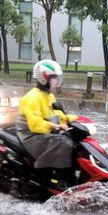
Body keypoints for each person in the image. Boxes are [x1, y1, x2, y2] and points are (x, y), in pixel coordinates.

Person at [16, 59, 78, 190]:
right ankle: (53, 180)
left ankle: (70, 175)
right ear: (44, 78)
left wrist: (74, 119)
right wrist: (57, 126)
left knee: (75, 140)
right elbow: (35, 124)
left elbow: (56, 115)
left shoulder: (48, 95)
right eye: (54, 78)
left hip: (44, 132)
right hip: (30, 135)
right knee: (64, 142)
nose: (56, 81)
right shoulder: (32, 98)